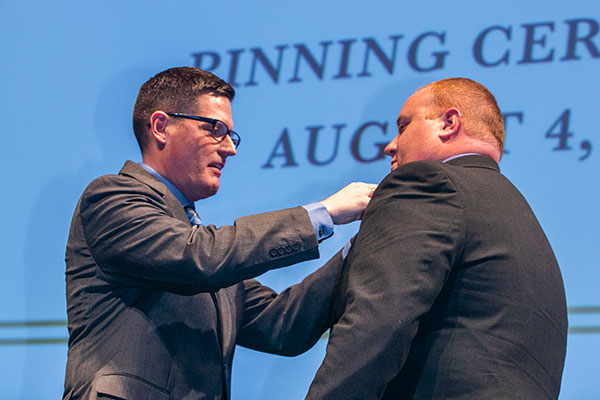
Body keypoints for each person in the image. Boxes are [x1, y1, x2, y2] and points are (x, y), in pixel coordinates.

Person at [63, 67, 375, 400]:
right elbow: (200, 257)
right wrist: (323, 214)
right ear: (161, 126)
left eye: (231, 135)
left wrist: (368, 240)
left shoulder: (200, 243)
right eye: (216, 129)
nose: (230, 148)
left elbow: (284, 326)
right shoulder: (112, 197)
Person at [306, 78, 568, 399]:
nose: (390, 145)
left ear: (449, 123)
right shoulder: (515, 215)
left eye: (403, 127)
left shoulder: (428, 181)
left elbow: (376, 325)